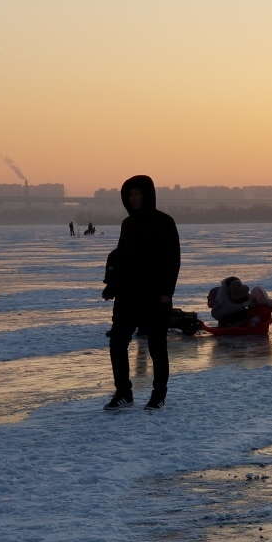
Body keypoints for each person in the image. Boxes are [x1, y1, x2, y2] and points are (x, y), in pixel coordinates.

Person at [101, 175, 180, 411]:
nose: (133, 199)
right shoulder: (128, 224)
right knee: (117, 344)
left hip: (155, 296)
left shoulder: (164, 222)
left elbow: (172, 259)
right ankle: (124, 393)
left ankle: (158, 395)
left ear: (147, 195)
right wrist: (112, 286)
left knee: (157, 347)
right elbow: (122, 257)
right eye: (130, 195)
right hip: (128, 295)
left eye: (137, 194)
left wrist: (167, 291)